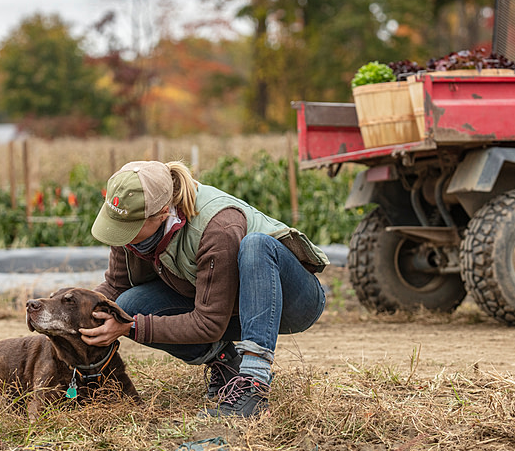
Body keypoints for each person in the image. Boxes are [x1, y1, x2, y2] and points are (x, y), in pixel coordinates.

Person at [79, 160, 329, 418]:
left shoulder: (217, 226)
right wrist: (71, 318)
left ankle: (253, 386)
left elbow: (209, 324)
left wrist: (130, 327)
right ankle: (227, 364)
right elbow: (115, 287)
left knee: (256, 245)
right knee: (128, 306)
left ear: (163, 212)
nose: (121, 234)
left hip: (291, 302)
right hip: (231, 309)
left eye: (130, 227)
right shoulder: (129, 223)